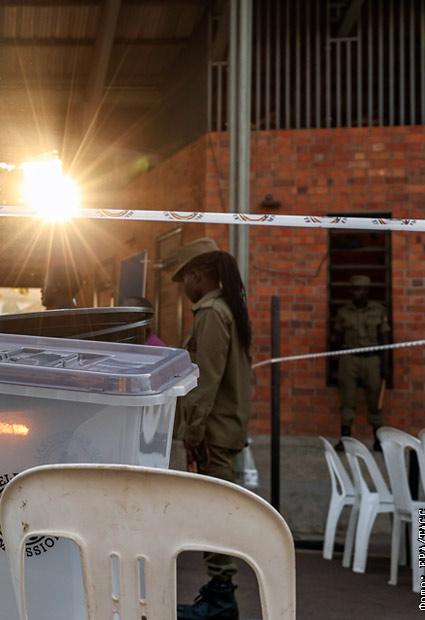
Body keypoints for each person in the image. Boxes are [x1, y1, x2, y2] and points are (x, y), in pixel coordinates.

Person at [170, 238, 252, 620]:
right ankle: (220, 598)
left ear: (197, 275)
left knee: (214, 514)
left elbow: (206, 380)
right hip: (220, 430)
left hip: (213, 433)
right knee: (213, 511)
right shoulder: (225, 309)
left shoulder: (212, 313)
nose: (183, 287)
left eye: (184, 279)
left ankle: (221, 601)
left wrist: (193, 431)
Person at [331, 274, 390, 453]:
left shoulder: (378, 311)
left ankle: (378, 440)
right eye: (356, 289)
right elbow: (337, 338)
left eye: (363, 289)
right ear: (351, 291)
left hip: (372, 359)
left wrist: (386, 365)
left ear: (367, 291)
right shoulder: (343, 312)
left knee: (375, 400)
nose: (359, 293)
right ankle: (345, 438)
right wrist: (337, 362)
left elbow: (385, 339)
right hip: (350, 358)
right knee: (347, 399)